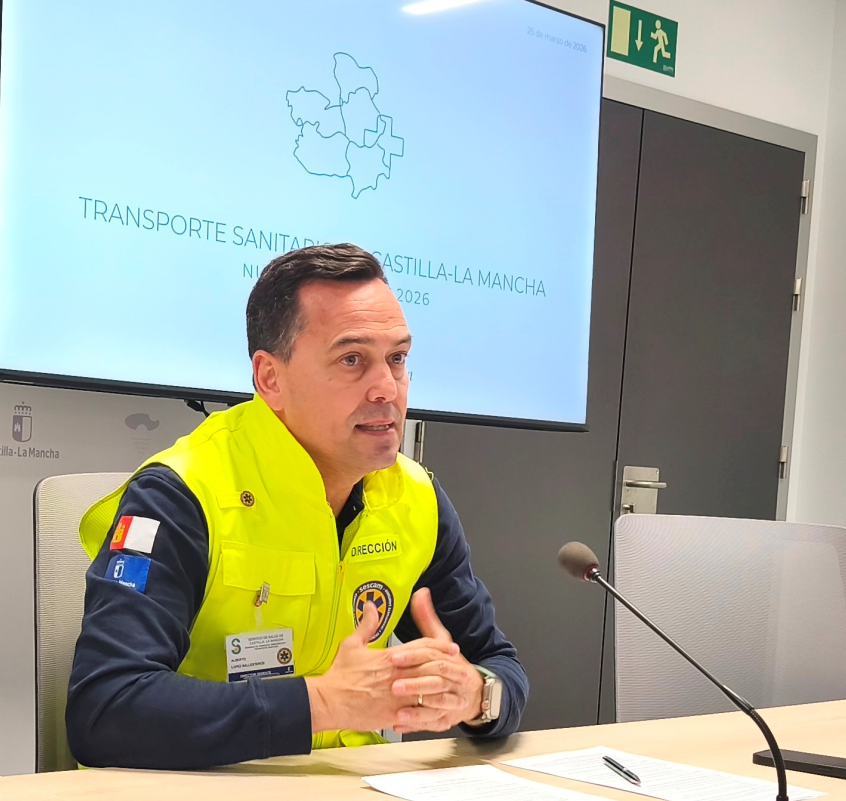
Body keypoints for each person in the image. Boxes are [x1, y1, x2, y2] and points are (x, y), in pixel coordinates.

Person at [68, 243, 526, 769]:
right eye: (352, 360)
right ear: (271, 379)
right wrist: (323, 704)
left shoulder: (415, 497)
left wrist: (476, 695)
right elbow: (106, 710)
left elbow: (499, 665)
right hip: (203, 793)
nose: (387, 389)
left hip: (353, 800)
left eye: (397, 359)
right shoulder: (182, 492)